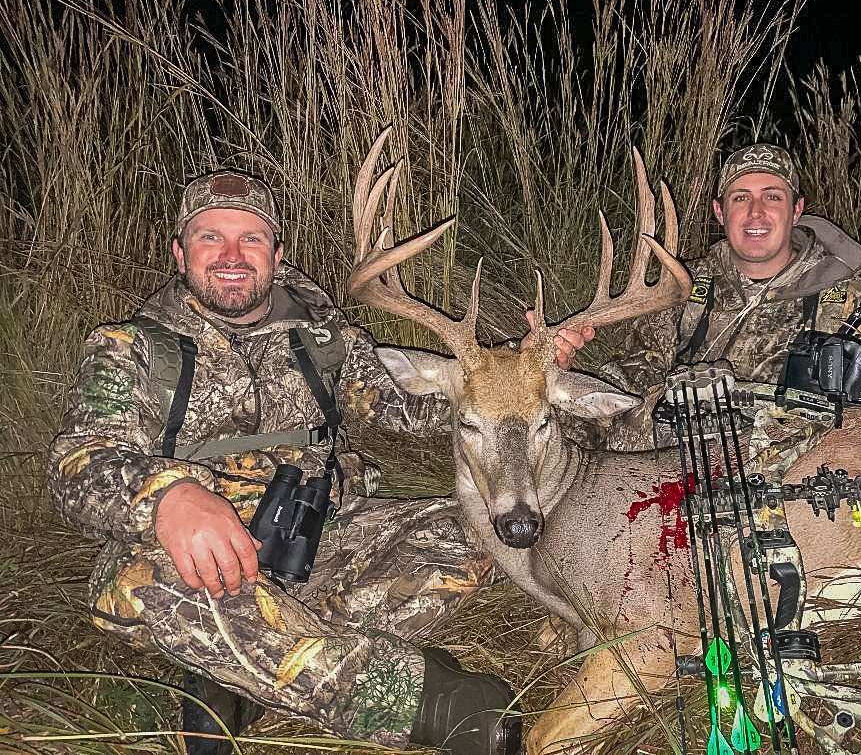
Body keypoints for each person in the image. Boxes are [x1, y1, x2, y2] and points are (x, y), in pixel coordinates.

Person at [46, 170, 589, 755]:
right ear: (180, 252)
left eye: (250, 239)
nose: (232, 256)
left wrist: (522, 374)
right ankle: (442, 707)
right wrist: (167, 499)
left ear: (277, 255)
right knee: (139, 584)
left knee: (477, 532)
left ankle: (248, 663)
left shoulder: (322, 336)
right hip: (196, 556)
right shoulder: (129, 348)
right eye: (210, 238)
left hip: (317, 534)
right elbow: (77, 462)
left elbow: (422, 411)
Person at [602, 143, 861, 474]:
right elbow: (633, 371)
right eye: (741, 197)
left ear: (797, 210)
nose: (756, 212)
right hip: (669, 475)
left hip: (794, 488)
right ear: (719, 211)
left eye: (772, 197)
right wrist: (557, 369)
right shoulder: (682, 288)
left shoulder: (848, 302)